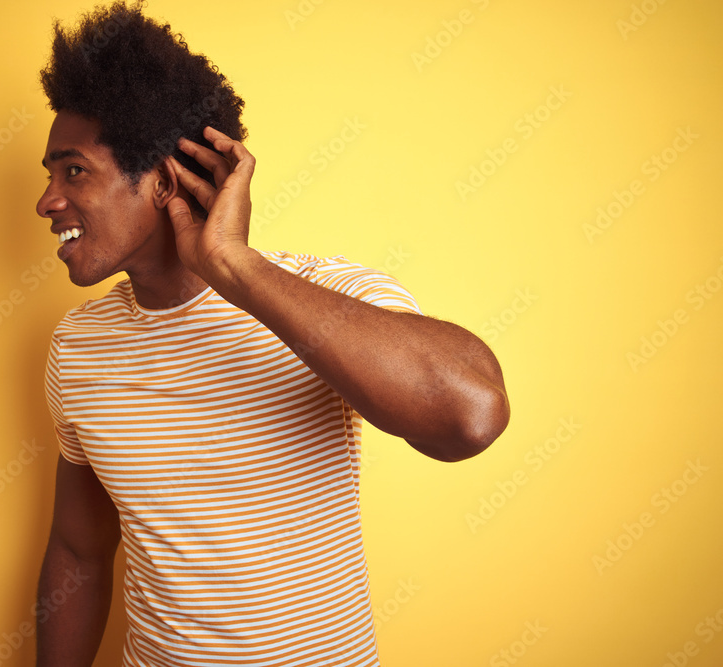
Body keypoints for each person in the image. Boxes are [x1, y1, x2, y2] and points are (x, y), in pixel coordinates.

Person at [34, 3, 509, 665]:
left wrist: (234, 265)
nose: (47, 201)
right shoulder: (77, 349)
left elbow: (473, 415)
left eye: (73, 171)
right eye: (49, 176)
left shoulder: (326, 296)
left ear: (166, 181)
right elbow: (80, 549)